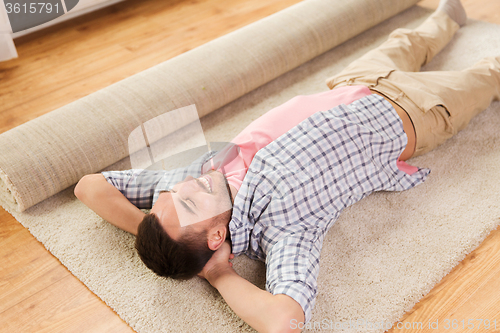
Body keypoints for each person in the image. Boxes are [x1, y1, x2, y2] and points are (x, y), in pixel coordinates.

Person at [75, 0, 500, 331]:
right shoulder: (282, 227)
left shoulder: (189, 182)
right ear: (217, 235)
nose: (185, 188)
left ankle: (446, 18)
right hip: (414, 114)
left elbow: (89, 188)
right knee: (488, 76)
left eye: (170, 197)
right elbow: (284, 321)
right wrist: (219, 273)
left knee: (408, 42)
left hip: (353, 84)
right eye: (187, 206)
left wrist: (155, 231)